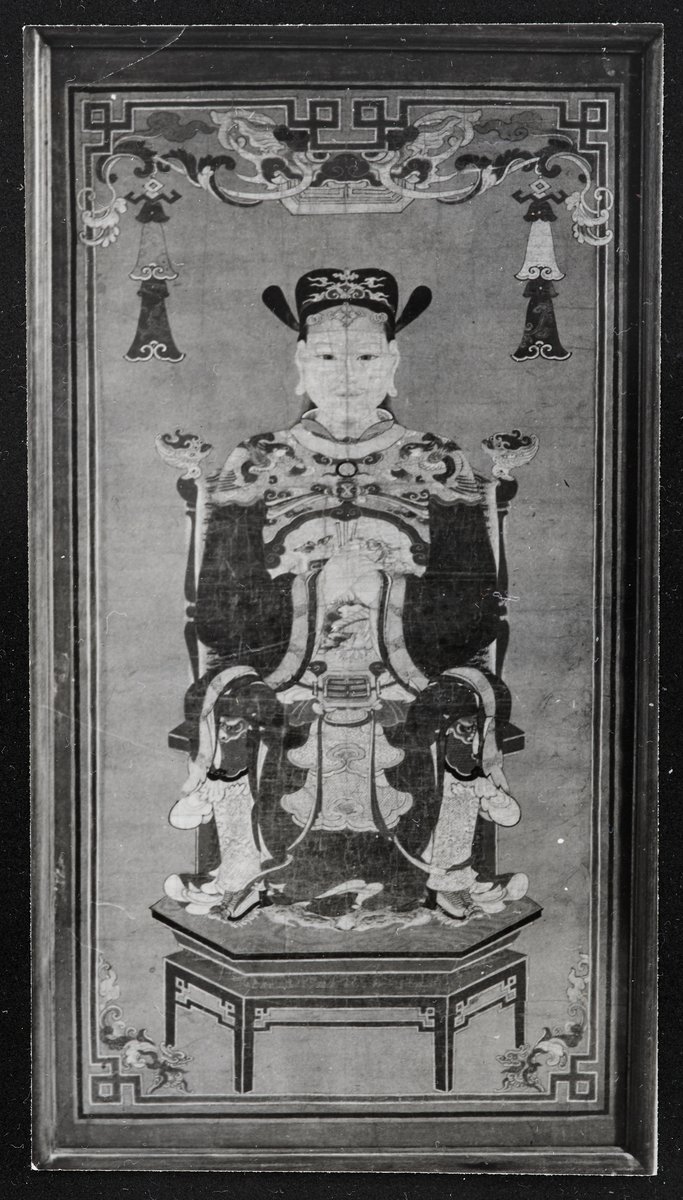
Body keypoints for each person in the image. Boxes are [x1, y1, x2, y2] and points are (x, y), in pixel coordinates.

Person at [164, 268, 528, 928]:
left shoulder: (433, 460)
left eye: (365, 357)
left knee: (455, 706)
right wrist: (306, 590)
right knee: (239, 707)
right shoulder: (260, 460)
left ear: (392, 362)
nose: (347, 375)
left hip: (406, 668)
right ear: (301, 363)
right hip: (288, 669)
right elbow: (219, 604)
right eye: (328, 358)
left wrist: (389, 591)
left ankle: (447, 874)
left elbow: (474, 603)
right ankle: (243, 870)